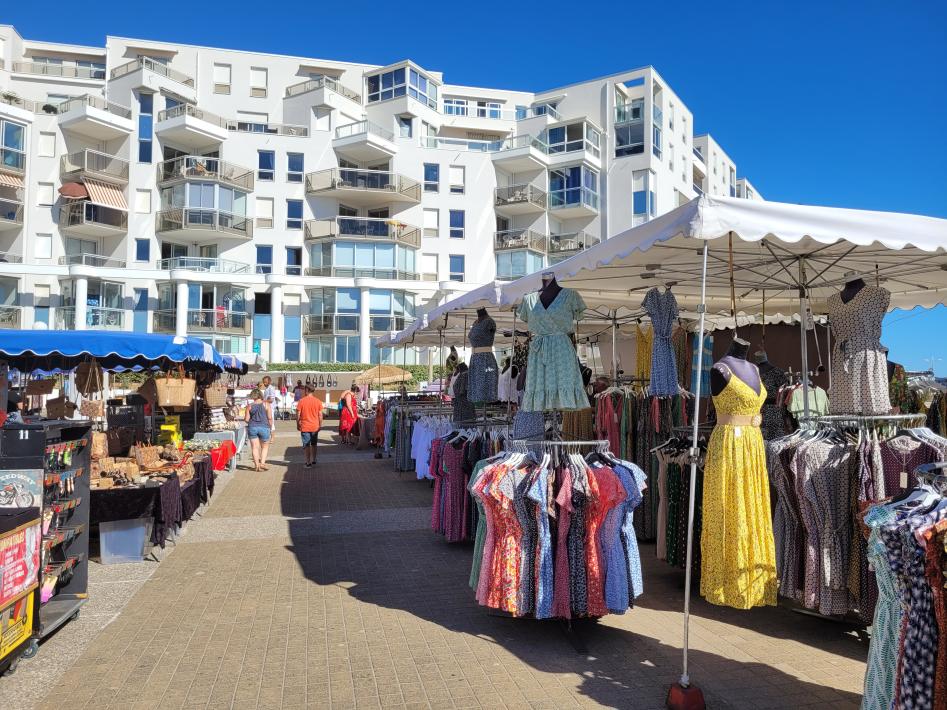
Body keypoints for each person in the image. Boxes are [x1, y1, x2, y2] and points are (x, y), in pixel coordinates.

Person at [244, 389, 274, 471]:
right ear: (261, 395)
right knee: (264, 447)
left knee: (254, 447)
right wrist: (271, 429)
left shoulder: (249, 406)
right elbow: (270, 418)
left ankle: (257, 465)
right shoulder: (266, 404)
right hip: (264, 427)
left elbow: (246, 419)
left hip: (252, 427)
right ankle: (262, 463)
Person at [296, 385, 324, 468]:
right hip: (315, 426)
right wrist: (320, 425)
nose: (304, 391)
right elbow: (320, 415)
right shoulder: (318, 401)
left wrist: (297, 424)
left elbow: (298, 414)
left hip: (305, 426)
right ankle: (314, 460)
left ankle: (308, 462)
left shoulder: (301, 401)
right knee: (314, 444)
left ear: (307, 390)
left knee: (306, 445)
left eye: (305, 389)